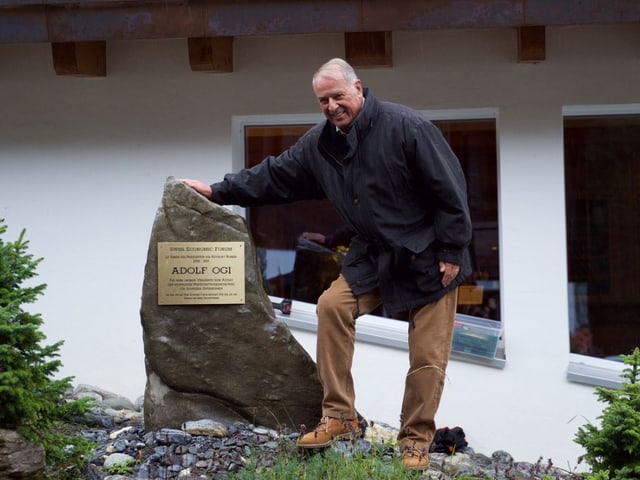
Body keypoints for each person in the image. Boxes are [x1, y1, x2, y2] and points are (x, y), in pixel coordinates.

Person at [182, 57, 472, 471]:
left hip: (429, 255)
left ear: (358, 88)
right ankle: (340, 417)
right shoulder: (320, 144)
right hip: (373, 254)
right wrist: (217, 190)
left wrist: (452, 250)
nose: (332, 105)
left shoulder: (408, 128)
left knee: (426, 355)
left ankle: (415, 441)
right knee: (332, 306)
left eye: (338, 95)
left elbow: (451, 189)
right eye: (323, 100)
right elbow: (275, 176)